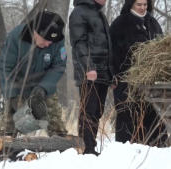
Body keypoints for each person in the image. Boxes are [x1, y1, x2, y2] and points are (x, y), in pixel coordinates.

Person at [0, 11, 68, 139]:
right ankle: (7, 151)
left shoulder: (57, 41)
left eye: (52, 41)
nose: (48, 44)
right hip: (18, 83)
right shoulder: (16, 36)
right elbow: (6, 66)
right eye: (46, 40)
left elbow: (58, 66)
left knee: (54, 121)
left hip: (44, 84)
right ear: (36, 31)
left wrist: (43, 88)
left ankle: (61, 149)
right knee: (10, 120)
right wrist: (12, 93)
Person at [110, 0, 168, 146]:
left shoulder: (153, 23)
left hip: (151, 80)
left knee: (153, 114)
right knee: (128, 116)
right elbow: (112, 53)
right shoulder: (120, 24)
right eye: (139, 5)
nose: (143, 8)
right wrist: (115, 74)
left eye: (145, 4)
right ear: (131, 5)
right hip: (126, 78)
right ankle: (126, 151)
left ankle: (156, 148)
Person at [69, 0, 116, 156]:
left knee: (97, 111)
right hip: (89, 71)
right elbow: (78, 42)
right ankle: (86, 148)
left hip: (102, 71)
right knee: (88, 111)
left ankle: (91, 147)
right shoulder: (79, 12)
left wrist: (111, 73)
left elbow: (106, 46)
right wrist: (88, 67)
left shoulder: (98, 12)